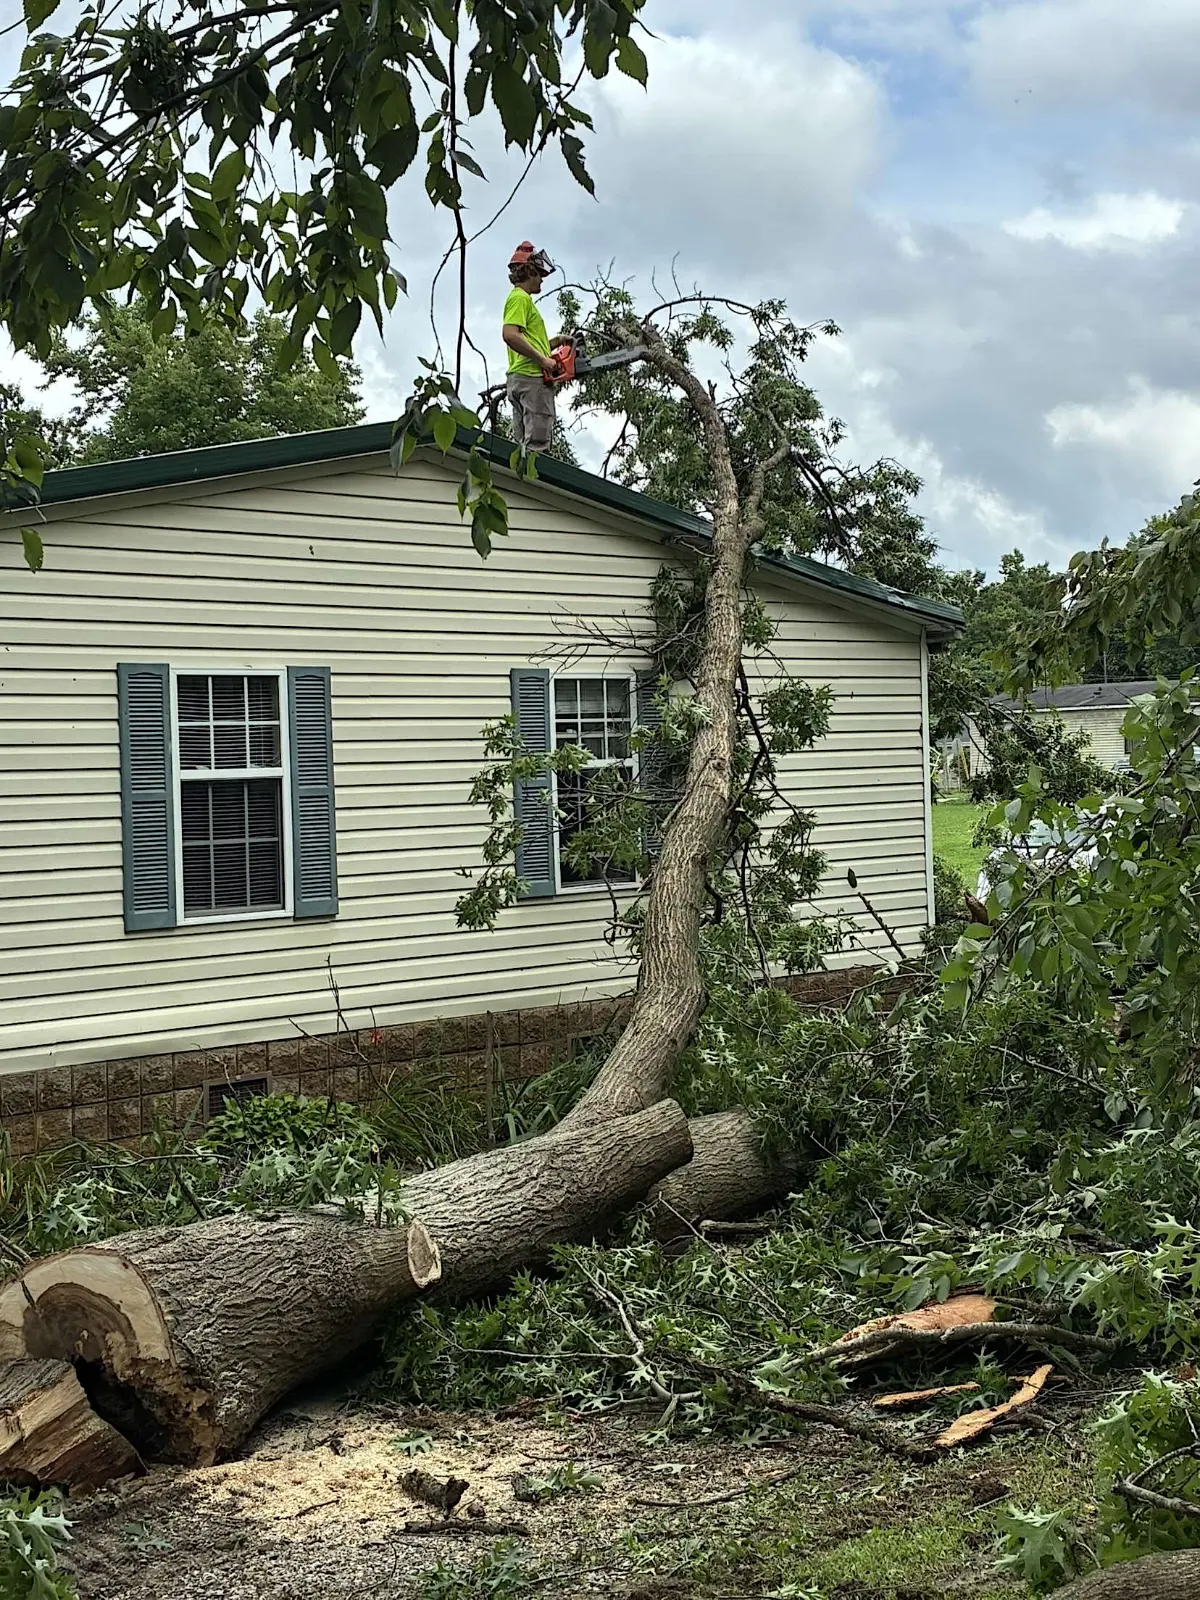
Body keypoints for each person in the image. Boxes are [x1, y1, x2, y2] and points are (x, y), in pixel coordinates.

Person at [502, 241, 559, 452]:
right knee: (537, 447)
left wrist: (556, 342)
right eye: (540, 275)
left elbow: (526, 340)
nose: (542, 280)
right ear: (531, 271)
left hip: (520, 378)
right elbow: (510, 335)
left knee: (522, 448)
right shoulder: (520, 298)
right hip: (531, 379)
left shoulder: (519, 300)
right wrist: (543, 360)